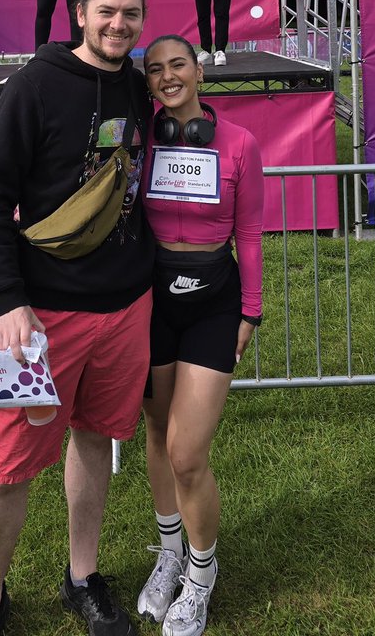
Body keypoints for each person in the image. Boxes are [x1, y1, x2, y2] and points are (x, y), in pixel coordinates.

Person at [0, 0, 155, 636]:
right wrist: (8, 298)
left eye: (130, 14)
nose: (118, 24)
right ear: (79, 14)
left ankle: (82, 577)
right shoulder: (34, 86)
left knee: (95, 438)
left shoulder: (138, 86)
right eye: (106, 12)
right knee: (8, 464)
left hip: (125, 308)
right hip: (40, 317)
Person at [136, 34, 264, 636]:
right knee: (157, 432)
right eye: (155, 69)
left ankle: (201, 574)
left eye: (178, 65)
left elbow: (251, 233)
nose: (168, 76)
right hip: (152, 302)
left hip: (214, 301)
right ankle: (169, 554)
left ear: (199, 72)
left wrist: (250, 312)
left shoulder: (239, 144)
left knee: (187, 453)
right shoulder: (138, 141)